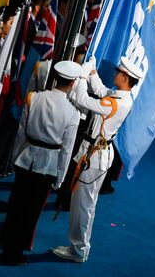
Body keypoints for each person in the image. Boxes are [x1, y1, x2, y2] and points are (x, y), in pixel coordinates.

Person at [52, 56, 143, 263]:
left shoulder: (116, 103)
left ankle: (79, 248)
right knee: (82, 202)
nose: (115, 74)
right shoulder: (120, 97)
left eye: (119, 72)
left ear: (125, 78)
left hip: (95, 156)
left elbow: (84, 100)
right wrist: (92, 74)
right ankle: (77, 245)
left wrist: (82, 77)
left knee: (84, 204)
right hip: (95, 153)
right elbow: (102, 92)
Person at [0, 60, 82, 266]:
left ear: (55, 78)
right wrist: (60, 178)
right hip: (48, 165)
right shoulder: (73, 113)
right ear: (72, 84)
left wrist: (15, 158)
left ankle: (7, 244)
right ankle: (15, 253)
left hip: (25, 158)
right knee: (31, 211)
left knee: (16, 204)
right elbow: (66, 150)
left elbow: (21, 132)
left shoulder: (33, 98)